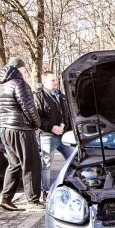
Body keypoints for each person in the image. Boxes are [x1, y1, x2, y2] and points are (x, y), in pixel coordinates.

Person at [0, 57, 42, 211]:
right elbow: (29, 108)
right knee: (32, 164)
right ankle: (33, 201)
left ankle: (5, 197)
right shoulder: (20, 83)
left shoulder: (0, 86)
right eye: (24, 69)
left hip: (5, 129)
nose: (25, 72)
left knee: (14, 164)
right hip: (22, 129)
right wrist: (38, 124)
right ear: (19, 68)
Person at [35, 71, 72, 201]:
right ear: (44, 82)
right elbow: (37, 118)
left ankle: (71, 186)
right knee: (46, 164)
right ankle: (44, 192)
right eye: (53, 80)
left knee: (73, 160)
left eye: (56, 80)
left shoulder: (61, 96)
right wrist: (51, 127)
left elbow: (67, 115)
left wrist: (68, 128)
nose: (56, 82)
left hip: (64, 136)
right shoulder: (39, 97)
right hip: (48, 136)